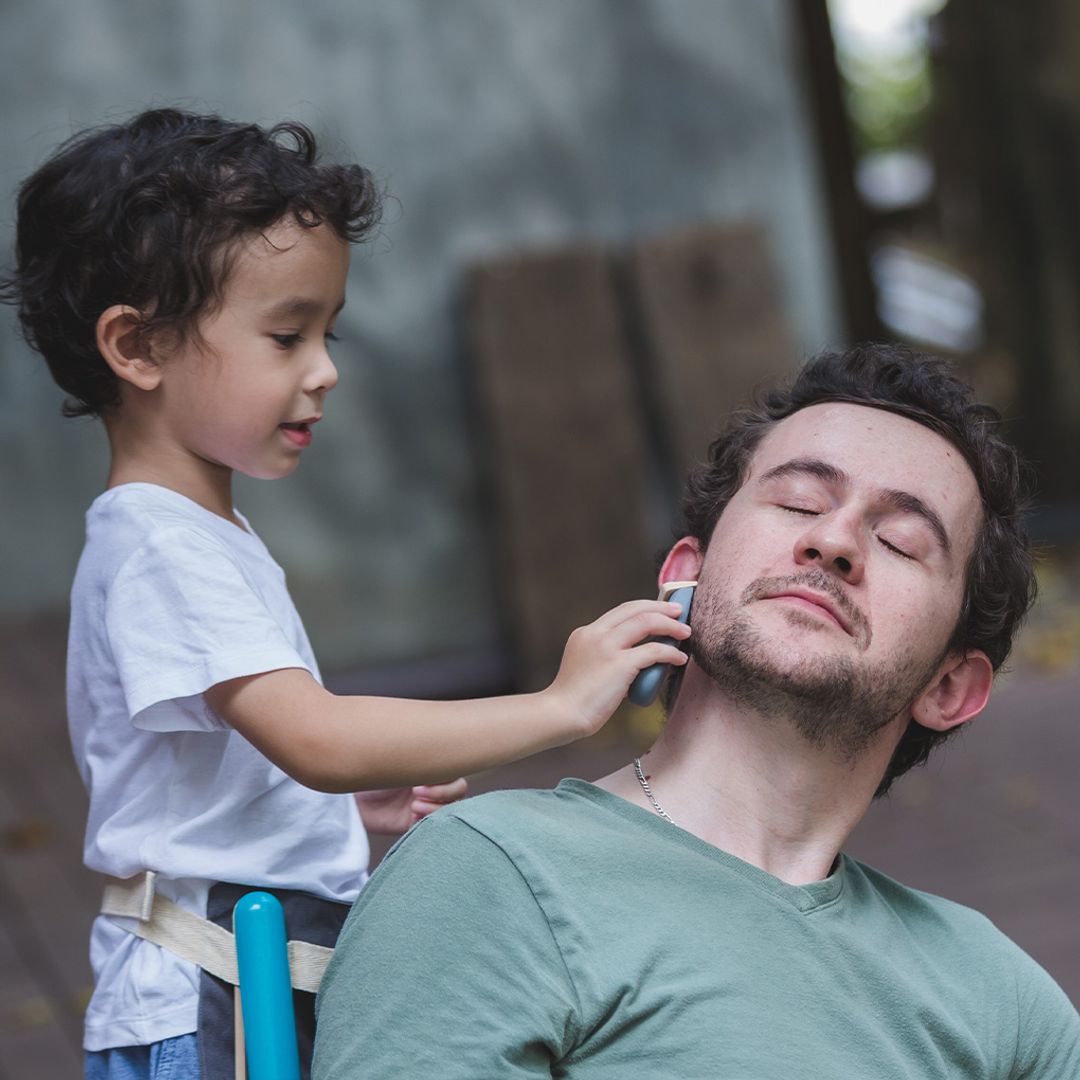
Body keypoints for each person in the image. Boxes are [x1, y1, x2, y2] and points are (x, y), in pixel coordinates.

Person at [0, 108, 691, 1080]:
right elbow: (316, 737)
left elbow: (226, 769)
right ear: (137, 347)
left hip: (255, 989)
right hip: (212, 1012)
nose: (325, 371)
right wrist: (557, 707)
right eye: (286, 335)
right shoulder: (163, 547)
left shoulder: (192, 534)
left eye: (326, 331)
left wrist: (320, 812)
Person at [313, 344, 1080, 1078]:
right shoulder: (493, 873)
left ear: (950, 688)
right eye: (798, 501)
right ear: (686, 575)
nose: (835, 539)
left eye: (900, 541)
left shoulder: (1001, 1002)